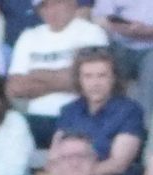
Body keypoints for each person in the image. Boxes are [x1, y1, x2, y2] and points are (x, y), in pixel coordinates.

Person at [53, 47, 148, 175]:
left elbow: (118, 164)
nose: (95, 83)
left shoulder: (129, 111)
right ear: (79, 80)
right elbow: (55, 156)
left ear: (113, 78)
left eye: (102, 76)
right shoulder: (69, 111)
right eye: (88, 76)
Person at [7, 0, 113, 143]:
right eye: (44, 6)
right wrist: (64, 77)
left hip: (81, 119)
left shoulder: (91, 32)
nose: (51, 11)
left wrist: (38, 75)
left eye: (57, 3)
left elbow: (88, 81)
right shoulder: (28, 36)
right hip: (35, 118)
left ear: (72, 4)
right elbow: (15, 87)